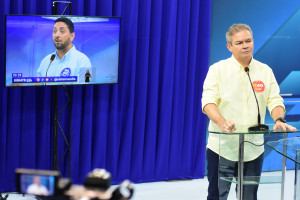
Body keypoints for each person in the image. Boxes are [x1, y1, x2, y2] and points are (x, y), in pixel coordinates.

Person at [201, 24, 297, 200]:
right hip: (223, 148)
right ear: (229, 46)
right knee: (216, 195)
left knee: (249, 196)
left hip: (253, 148)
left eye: (248, 41)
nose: (245, 45)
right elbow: (208, 101)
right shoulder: (217, 70)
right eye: (239, 43)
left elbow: (274, 100)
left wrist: (279, 119)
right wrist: (222, 123)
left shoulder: (264, 71)